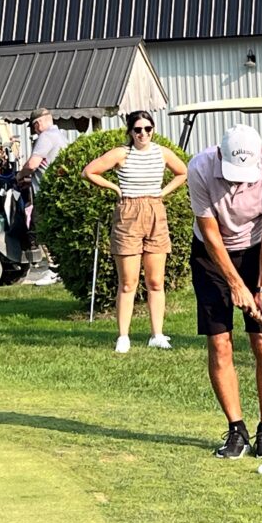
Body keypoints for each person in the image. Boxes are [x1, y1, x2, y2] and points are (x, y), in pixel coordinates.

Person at [186, 124, 262, 460]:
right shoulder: (199, 168)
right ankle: (236, 429)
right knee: (220, 341)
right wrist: (234, 284)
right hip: (211, 256)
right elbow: (210, 234)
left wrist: (261, 289)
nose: (239, 182)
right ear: (220, 155)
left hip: (258, 250)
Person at [82, 111, 188, 353]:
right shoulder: (122, 153)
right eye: (138, 129)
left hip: (155, 211)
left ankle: (157, 334)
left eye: (148, 129)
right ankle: (123, 336)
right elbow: (89, 172)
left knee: (155, 281)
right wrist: (115, 188)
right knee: (128, 282)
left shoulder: (161, 152)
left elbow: (182, 172)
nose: (143, 134)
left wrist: (163, 192)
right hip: (128, 212)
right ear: (130, 131)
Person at [16, 107, 71, 286]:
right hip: (59, 192)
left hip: (46, 194)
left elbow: (33, 164)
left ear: (38, 123)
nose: (34, 130)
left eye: (34, 127)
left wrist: (20, 175)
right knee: (58, 232)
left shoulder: (45, 137)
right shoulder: (61, 137)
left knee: (42, 231)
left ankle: (54, 270)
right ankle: (62, 269)